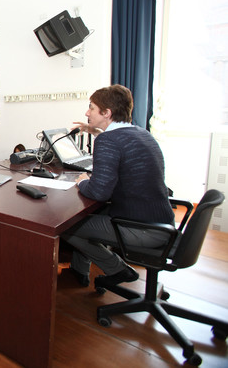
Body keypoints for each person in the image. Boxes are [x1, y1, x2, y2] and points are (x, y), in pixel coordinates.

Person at [62, 84, 174, 288]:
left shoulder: (108, 141)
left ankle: (118, 269)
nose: (87, 112)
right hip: (161, 223)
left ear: (107, 112)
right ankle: (79, 271)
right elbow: (123, 154)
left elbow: (98, 192)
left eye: (92, 108)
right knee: (92, 215)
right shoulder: (142, 133)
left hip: (140, 229)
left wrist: (82, 181)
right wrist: (94, 130)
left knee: (67, 227)